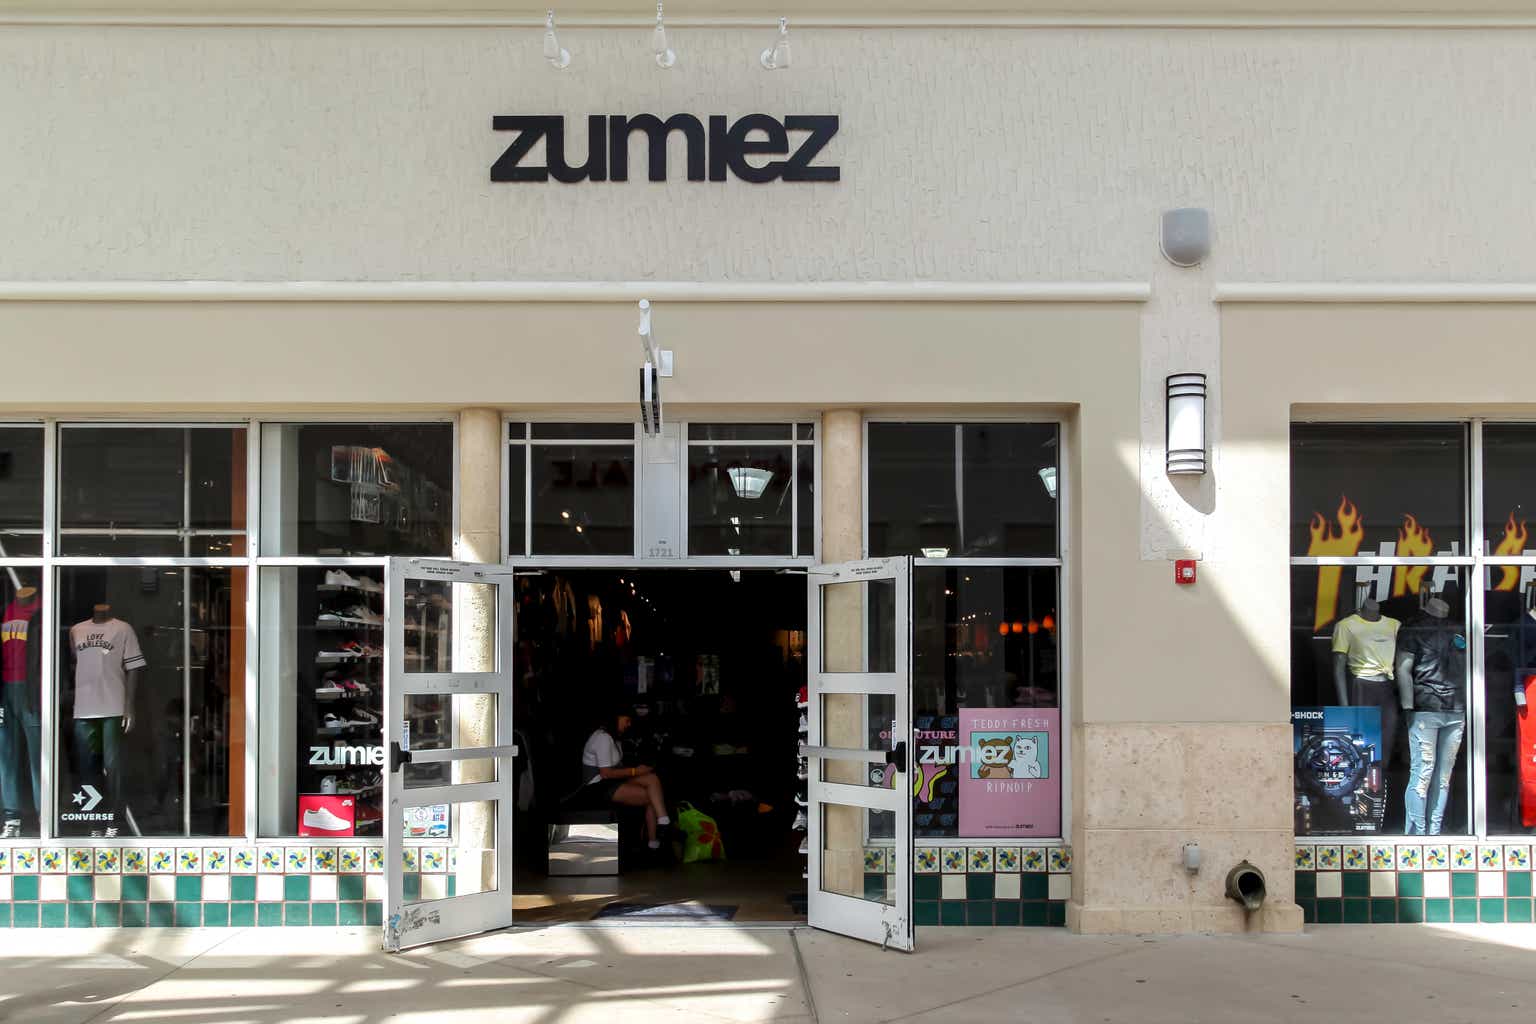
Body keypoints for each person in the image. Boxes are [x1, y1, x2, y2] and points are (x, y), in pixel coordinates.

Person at [580, 710, 670, 849]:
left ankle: (663, 820)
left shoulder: (614, 737)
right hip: (598, 786)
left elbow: (616, 766)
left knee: (651, 778)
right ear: (615, 718)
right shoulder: (602, 738)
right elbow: (606, 774)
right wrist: (635, 771)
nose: (629, 724)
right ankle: (654, 840)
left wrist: (639, 770)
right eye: (626, 720)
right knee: (651, 797)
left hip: (611, 780)